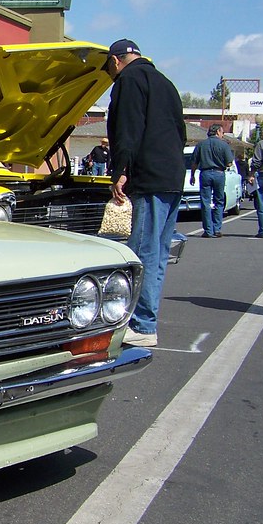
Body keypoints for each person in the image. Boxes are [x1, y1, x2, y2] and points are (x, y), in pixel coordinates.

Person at [104, 39, 186, 348]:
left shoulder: (129, 80)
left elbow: (128, 128)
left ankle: (141, 324)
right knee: (159, 253)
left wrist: (121, 171)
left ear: (115, 61)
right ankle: (146, 320)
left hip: (148, 177)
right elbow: (180, 131)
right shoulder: (165, 82)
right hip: (172, 177)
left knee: (140, 253)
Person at [188, 123, 233, 238]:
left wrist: (192, 175)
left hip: (205, 173)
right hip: (219, 173)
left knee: (205, 202)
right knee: (219, 201)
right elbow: (229, 163)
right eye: (222, 132)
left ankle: (208, 230)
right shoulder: (223, 145)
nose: (223, 134)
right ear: (218, 132)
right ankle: (217, 229)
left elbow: (194, 162)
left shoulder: (201, 145)